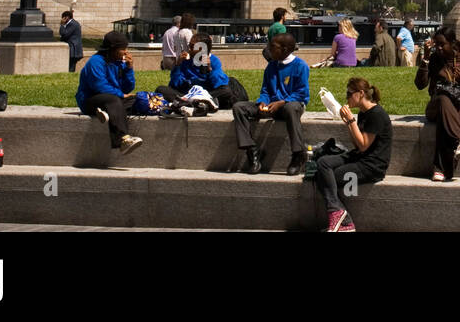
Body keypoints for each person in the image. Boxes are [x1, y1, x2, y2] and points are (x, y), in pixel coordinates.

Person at [316, 77, 393, 232]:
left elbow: (364, 146)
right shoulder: (364, 113)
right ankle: (340, 215)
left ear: (361, 93)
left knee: (325, 176)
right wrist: (348, 122)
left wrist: (351, 120)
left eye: (350, 93)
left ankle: (343, 219)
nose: (347, 97)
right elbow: (357, 144)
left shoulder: (376, 114)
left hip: (372, 166)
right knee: (323, 163)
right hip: (360, 157)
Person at [234, 33, 309, 175]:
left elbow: (302, 94)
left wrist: (281, 102)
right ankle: (252, 151)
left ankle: (298, 154)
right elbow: (265, 90)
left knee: (291, 108)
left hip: (290, 105)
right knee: (239, 108)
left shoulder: (300, 66)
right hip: (271, 106)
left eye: (272, 47)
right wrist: (263, 102)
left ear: (285, 49)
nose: (268, 50)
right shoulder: (271, 67)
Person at [414, 28, 460, 181]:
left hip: (459, 104)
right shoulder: (434, 59)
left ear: (452, 43)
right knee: (442, 99)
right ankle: (459, 142)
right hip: (436, 103)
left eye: (442, 44)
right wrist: (426, 58)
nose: (439, 48)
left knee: (444, 117)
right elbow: (420, 84)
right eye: (436, 45)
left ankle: (439, 168)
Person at [75, 31, 143, 154]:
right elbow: (99, 86)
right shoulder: (96, 61)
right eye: (122, 49)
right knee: (114, 100)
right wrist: (121, 95)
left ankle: (106, 111)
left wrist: (129, 68)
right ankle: (123, 140)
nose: (126, 52)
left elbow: (127, 88)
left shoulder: (119, 63)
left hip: (112, 99)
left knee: (138, 99)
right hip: (90, 100)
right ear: (113, 49)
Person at [156, 32, 236, 111]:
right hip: (188, 95)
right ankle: (197, 103)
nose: (189, 49)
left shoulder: (214, 61)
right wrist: (178, 65)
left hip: (207, 94)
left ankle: (193, 103)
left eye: (192, 46)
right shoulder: (186, 61)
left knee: (227, 92)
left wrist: (209, 70)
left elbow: (219, 85)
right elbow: (174, 84)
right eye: (189, 45)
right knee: (161, 89)